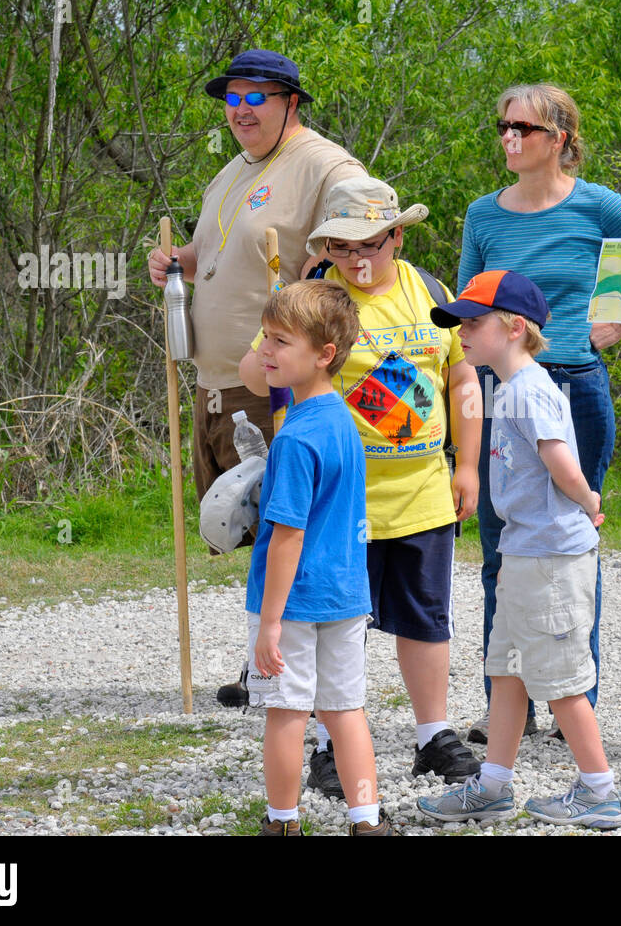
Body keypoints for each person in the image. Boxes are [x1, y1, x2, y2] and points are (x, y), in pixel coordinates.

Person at [241, 178, 484, 793]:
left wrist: (468, 465)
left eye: (370, 244)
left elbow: (461, 383)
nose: (357, 259)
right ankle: (327, 740)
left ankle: (433, 735)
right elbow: (254, 370)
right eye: (343, 247)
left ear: (397, 236)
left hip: (423, 490)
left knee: (426, 618)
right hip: (340, 503)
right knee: (334, 619)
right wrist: (278, 317)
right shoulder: (315, 302)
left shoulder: (430, 292)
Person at [146, 48, 365, 706]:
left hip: (269, 379)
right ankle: (263, 651)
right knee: (237, 521)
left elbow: (365, 218)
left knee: (280, 520)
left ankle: (277, 658)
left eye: (256, 98)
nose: (241, 110)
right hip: (214, 381)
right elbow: (217, 250)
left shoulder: (322, 164)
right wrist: (179, 260)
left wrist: (316, 289)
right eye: (232, 99)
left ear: (290, 102)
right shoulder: (233, 170)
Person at [457, 83, 621, 739]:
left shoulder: (595, 202)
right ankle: (505, 711)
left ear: (562, 141)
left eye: (524, 127)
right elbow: (465, 314)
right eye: (503, 127)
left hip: (574, 388)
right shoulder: (481, 216)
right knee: (501, 549)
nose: (510, 137)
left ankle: (576, 707)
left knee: (568, 549)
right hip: (499, 398)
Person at [418, 271, 621, 829]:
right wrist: (509, 558)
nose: (462, 332)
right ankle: (492, 786)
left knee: (559, 680)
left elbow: (560, 462)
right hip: (525, 551)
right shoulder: (509, 387)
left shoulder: (531, 390)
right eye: (460, 323)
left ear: (513, 327)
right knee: (507, 671)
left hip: (551, 557)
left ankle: (599, 789)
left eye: (473, 323)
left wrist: (588, 499)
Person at [246, 279, 388, 836]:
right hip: (347, 595)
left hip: (295, 602)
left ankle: (281, 822)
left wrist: (271, 624)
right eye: (265, 337)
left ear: (324, 355)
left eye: (281, 341)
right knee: (346, 710)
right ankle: (366, 820)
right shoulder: (344, 422)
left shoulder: (295, 438)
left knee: (286, 712)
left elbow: (287, 537)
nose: (265, 352)